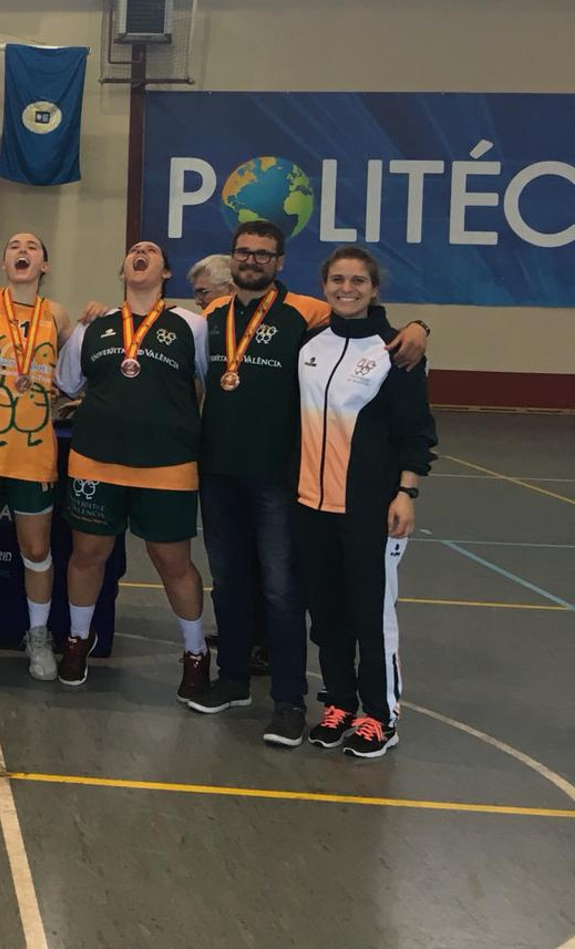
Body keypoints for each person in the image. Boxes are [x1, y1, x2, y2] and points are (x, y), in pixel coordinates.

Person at [186, 220, 429, 748]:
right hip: (226, 473)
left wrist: (418, 326)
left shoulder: (305, 315)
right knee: (232, 583)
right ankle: (236, 680)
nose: (252, 261)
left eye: (264, 254)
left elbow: (386, 350)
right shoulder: (212, 316)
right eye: (243, 253)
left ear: (280, 262)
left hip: (282, 480)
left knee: (283, 591)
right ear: (232, 259)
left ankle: (292, 702)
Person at [54, 242, 212, 698]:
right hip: (96, 460)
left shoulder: (192, 326)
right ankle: (78, 640)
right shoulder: (94, 327)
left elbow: (209, 384)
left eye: (151, 251)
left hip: (168, 463)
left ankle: (195, 652)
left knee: (173, 562)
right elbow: (66, 384)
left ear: (165, 273)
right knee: (88, 554)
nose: (140, 253)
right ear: (122, 270)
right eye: (133, 252)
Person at [295, 247, 436, 760]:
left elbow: (416, 431)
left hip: (370, 508)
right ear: (324, 284)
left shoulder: (396, 349)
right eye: (337, 279)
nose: (346, 288)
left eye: (358, 280)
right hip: (311, 506)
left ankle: (380, 714)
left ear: (375, 288)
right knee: (327, 612)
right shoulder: (311, 343)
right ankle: (339, 703)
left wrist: (406, 492)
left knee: (371, 615)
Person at [0, 231, 75, 680]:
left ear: (44, 265)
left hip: (33, 450)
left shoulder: (57, 315)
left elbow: (77, 366)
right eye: (14, 246)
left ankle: (38, 635)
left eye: (32, 248)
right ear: (4, 263)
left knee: (36, 548)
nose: (22, 251)